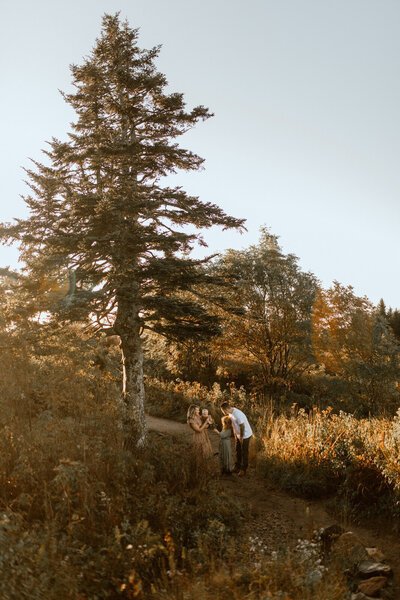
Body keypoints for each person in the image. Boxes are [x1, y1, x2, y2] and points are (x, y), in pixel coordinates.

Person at [220, 401, 253, 476]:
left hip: (245, 435)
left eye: (222, 411)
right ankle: (237, 466)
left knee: (244, 452)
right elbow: (234, 424)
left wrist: (241, 437)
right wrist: (235, 434)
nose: (223, 412)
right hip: (238, 435)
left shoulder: (238, 414)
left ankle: (243, 469)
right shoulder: (231, 413)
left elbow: (242, 426)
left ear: (226, 409)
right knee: (238, 450)